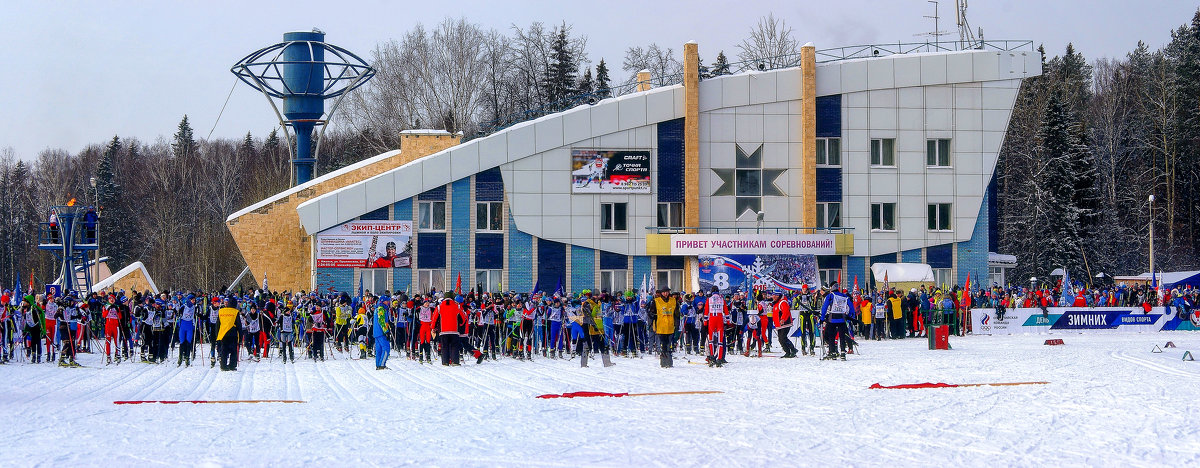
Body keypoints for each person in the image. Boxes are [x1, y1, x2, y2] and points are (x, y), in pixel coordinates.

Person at [432, 292, 465, 366]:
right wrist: (459, 324)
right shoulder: (457, 306)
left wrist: (433, 327)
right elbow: (463, 319)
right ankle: (455, 361)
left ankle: (445, 362)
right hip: (454, 330)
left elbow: (434, 319)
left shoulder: (439, 307)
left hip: (443, 330)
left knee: (444, 346)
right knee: (454, 346)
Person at [820, 285, 852, 360]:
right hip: (842, 318)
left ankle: (833, 352)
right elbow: (851, 306)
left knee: (831, 336)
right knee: (842, 336)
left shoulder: (830, 296)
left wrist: (822, 317)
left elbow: (824, 307)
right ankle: (843, 352)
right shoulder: (844, 296)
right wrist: (849, 316)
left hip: (832, 318)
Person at [650, 288, 677, 368]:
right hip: (660, 325)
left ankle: (669, 361)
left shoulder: (673, 300)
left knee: (669, 344)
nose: (666, 294)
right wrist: (651, 316)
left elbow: (676, 313)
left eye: (667, 292)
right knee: (663, 344)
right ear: (661, 293)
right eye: (664, 292)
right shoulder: (656, 301)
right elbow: (652, 312)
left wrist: (677, 323)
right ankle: (664, 361)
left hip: (670, 325)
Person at [705, 286, 728, 366]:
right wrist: (727, 321)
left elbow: (706, 312)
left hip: (712, 320)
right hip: (719, 319)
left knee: (711, 340)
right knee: (720, 341)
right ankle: (719, 358)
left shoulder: (709, 299)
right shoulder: (722, 299)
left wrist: (705, 322)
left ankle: (712, 357)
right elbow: (726, 311)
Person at [217, 297, 241, 371]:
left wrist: (217, 334)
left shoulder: (221, 311)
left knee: (224, 350)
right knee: (233, 351)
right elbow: (239, 325)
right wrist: (240, 336)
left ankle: (223, 366)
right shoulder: (235, 312)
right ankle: (232, 365)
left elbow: (217, 324)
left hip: (223, 334)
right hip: (233, 333)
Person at [772, 291, 798, 358]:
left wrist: (783, 319)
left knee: (783, 338)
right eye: (773, 295)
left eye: (776, 295)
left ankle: (793, 350)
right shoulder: (776, 303)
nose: (774, 297)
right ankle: (787, 352)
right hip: (779, 325)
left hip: (785, 323)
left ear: (779, 296)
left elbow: (786, 312)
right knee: (781, 339)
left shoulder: (782, 302)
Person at [373, 302, 391, 370]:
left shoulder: (376, 309)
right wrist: (386, 331)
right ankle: (382, 365)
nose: (388, 303)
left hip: (376, 332)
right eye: (387, 301)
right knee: (386, 348)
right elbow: (381, 321)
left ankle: (378, 364)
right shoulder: (381, 309)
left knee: (379, 349)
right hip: (381, 332)